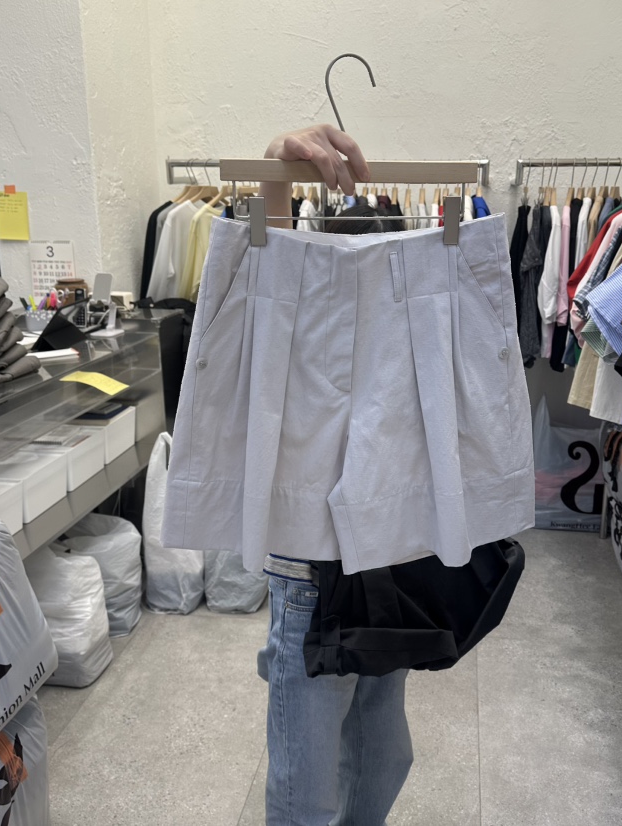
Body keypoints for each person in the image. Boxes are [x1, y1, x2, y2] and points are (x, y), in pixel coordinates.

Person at [255, 124, 414, 825]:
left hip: (368, 552)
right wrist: (275, 169)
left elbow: (270, 273)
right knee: (346, 748)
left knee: (354, 750)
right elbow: (270, 267)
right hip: (350, 554)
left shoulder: (399, 315)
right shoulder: (405, 303)